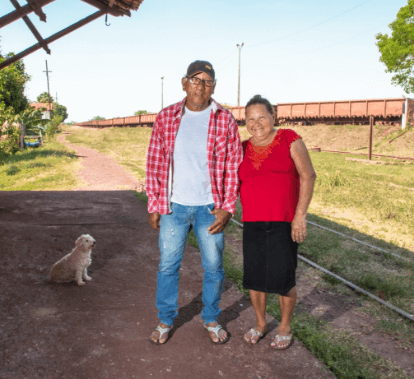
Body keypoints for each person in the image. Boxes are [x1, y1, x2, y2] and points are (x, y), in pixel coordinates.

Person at [146, 60, 243, 345]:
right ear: (184, 82)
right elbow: (155, 161)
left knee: (213, 266)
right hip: (174, 206)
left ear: (213, 86)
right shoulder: (166, 117)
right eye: (195, 79)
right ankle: (165, 319)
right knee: (168, 265)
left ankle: (211, 318)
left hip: (208, 208)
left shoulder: (224, 119)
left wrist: (227, 207)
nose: (201, 86)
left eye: (207, 81)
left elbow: (232, 166)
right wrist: (154, 204)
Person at [238, 95, 316, 349]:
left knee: (284, 277)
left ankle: (284, 326)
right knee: (254, 277)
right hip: (252, 222)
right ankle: (260, 323)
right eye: (250, 118)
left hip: (284, 222)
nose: (256, 123)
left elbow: (308, 176)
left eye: (262, 116)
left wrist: (300, 215)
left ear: (274, 117)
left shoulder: (289, 138)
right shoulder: (241, 148)